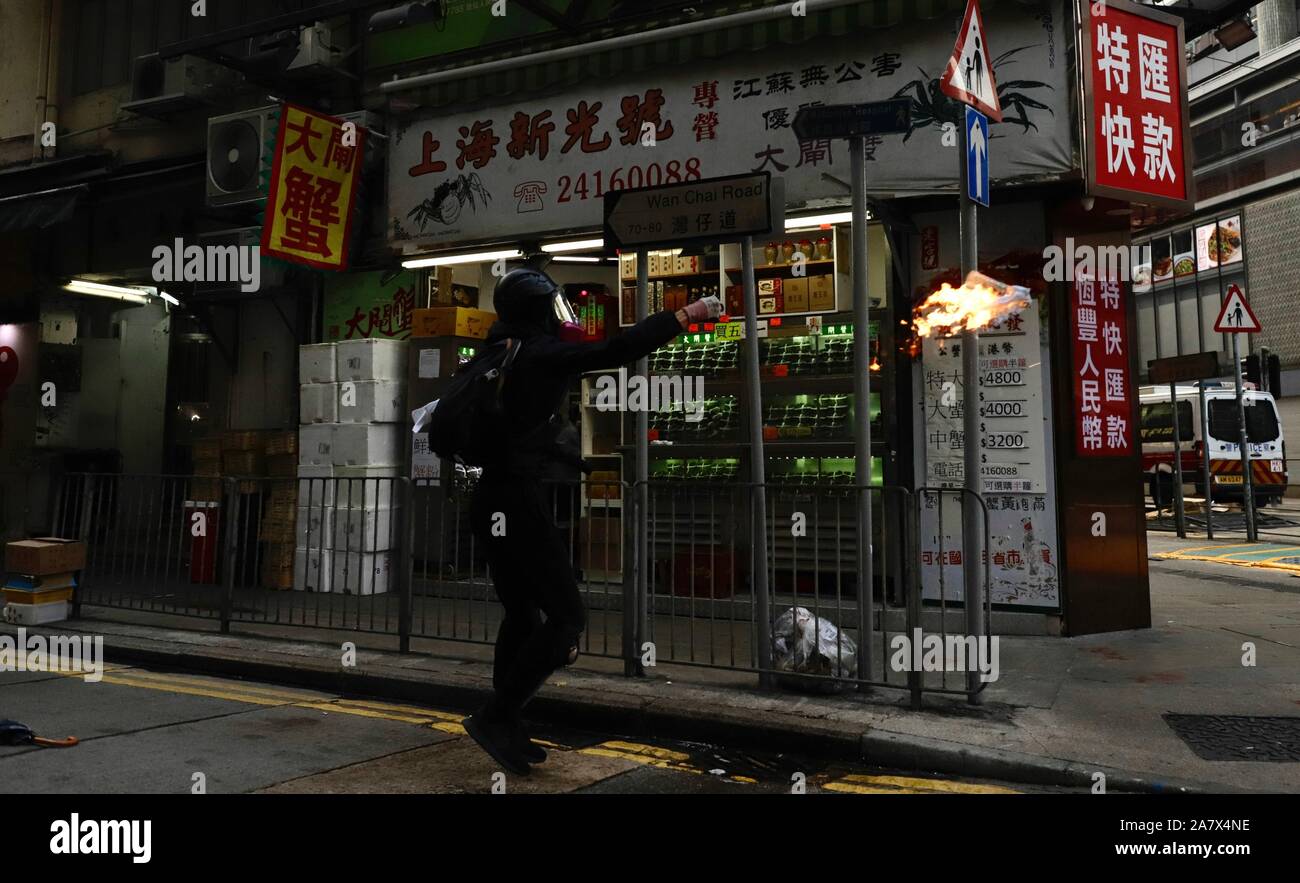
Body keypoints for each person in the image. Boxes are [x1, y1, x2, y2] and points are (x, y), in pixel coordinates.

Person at [464, 267, 723, 774]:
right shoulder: (536, 352)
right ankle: (497, 716)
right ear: (538, 312)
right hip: (517, 500)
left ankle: (508, 721)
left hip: (491, 498)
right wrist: (684, 315)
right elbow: (612, 352)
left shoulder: (497, 352)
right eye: (550, 309)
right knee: (567, 618)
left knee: (521, 614)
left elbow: (516, 430)